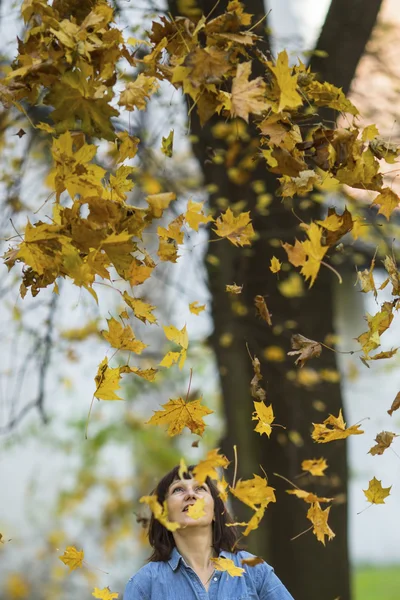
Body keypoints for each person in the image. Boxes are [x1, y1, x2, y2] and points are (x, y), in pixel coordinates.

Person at [124, 464, 294, 599]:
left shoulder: (253, 570)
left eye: (200, 488)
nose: (190, 494)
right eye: (178, 489)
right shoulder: (145, 584)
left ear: (215, 512)